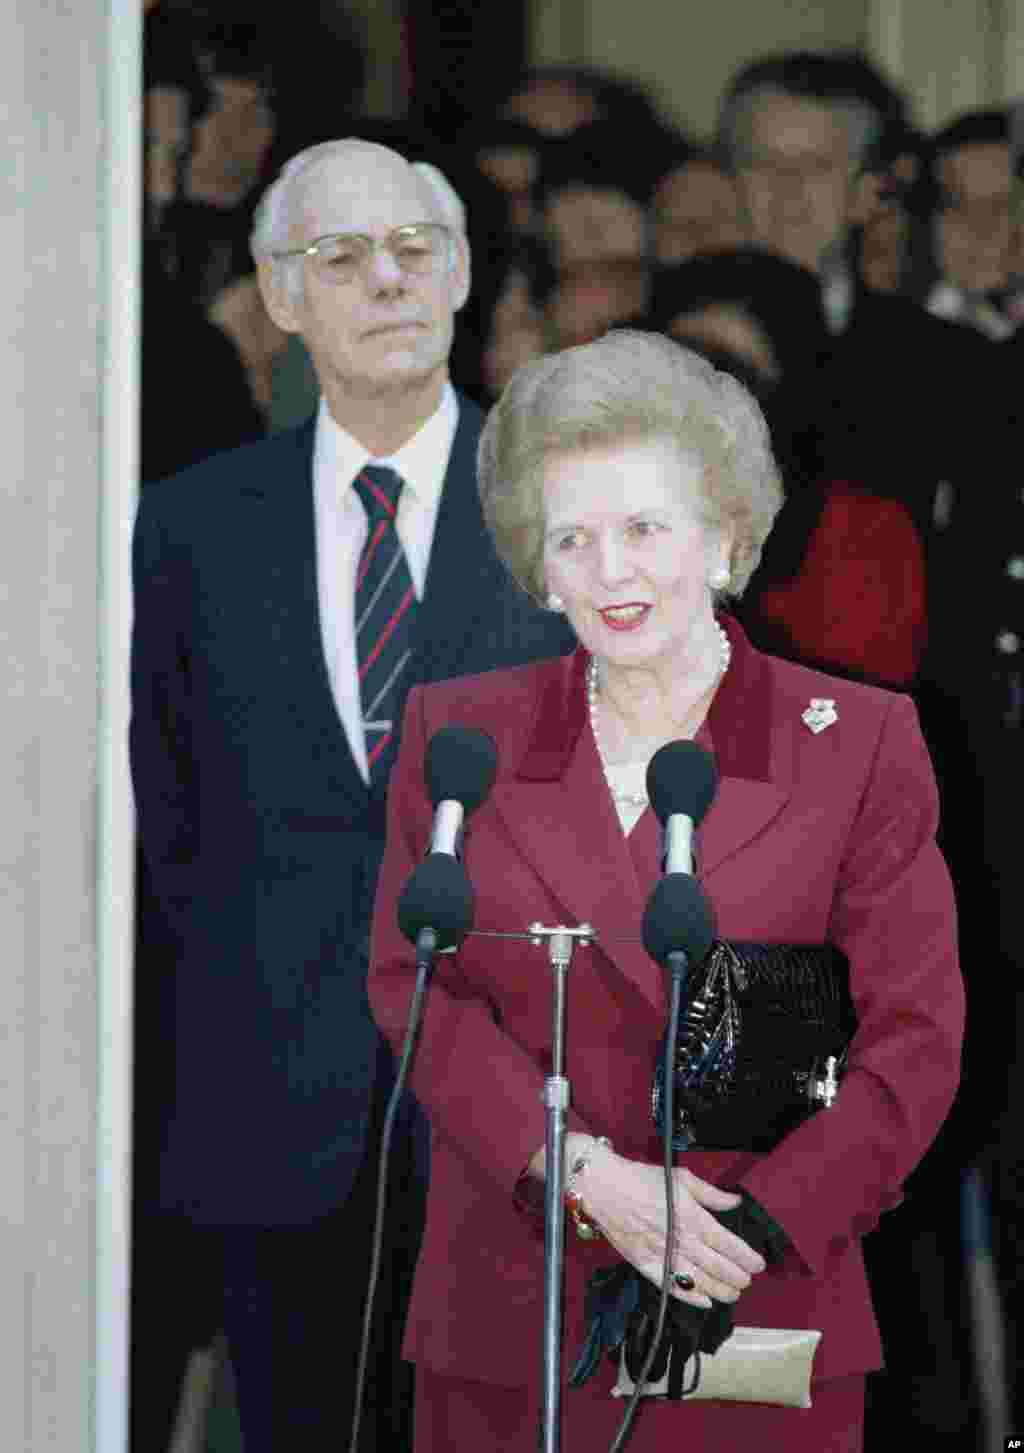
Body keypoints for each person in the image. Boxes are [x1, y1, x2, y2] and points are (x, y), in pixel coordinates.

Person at [367, 329, 963, 1450]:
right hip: (510, 1313)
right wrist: (582, 1174)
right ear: (535, 567)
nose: (610, 572)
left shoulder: (856, 745)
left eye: (644, 529)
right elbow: (411, 987)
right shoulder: (460, 737)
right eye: (573, 540)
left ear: (725, 533)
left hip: (750, 1305)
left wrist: (747, 1228)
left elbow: (918, 1037)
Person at [129, 136, 574, 1453]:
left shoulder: (566, 510)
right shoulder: (190, 528)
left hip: (517, 1112)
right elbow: (166, 822)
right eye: (341, 255)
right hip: (270, 1104)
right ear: (280, 296)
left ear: (461, 279)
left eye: (413, 249)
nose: (384, 280)